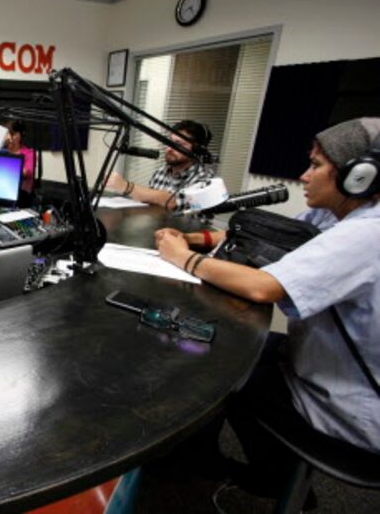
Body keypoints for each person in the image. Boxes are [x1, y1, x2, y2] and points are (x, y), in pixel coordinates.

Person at [154, 118, 380, 494]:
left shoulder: (367, 233)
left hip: (351, 407)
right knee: (220, 343)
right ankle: (258, 469)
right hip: (315, 362)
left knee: (209, 370)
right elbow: (268, 238)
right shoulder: (336, 214)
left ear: (359, 176)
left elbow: (265, 287)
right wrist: (193, 237)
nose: (304, 177)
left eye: (316, 166)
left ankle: (259, 478)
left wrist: (184, 259)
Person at [106, 120, 214, 210]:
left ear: (197, 149)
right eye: (169, 142)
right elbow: (150, 202)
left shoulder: (205, 179)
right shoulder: (160, 172)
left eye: (178, 144)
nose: (169, 148)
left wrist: (126, 186)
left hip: (186, 234)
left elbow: (172, 201)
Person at [0, 118, 36, 194]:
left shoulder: (29, 153)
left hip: (20, 192)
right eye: (7, 133)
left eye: (13, 134)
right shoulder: (0, 150)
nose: (9, 137)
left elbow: (27, 172)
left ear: (21, 135)